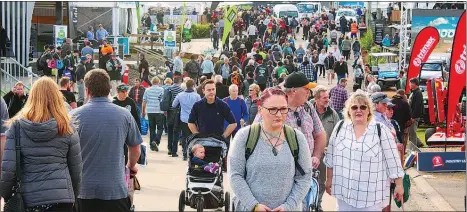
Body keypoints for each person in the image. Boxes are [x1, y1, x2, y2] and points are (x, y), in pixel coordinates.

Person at [0, 77, 82, 212]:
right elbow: (76, 169)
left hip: (28, 200)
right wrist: (73, 196)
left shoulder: (17, 127)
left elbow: (9, 168)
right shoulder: (67, 127)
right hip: (62, 200)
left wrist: (7, 195)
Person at [229, 87, 312, 211]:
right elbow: (235, 175)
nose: (279, 114)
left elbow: (304, 178)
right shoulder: (244, 137)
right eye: (273, 109)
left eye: (283, 109)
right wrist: (254, 206)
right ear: (260, 110)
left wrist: (288, 206)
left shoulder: (297, 138)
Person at [71, 69, 142, 212]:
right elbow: (135, 149)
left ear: (87, 90)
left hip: (83, 191)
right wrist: (130, 166)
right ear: (110, 89)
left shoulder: (73, 116)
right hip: (115, 191)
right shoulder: (125, 115)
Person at [324, 92, 405, 211]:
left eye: (363, 107)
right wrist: (329, 179)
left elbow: (393, 161)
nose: (358, 110)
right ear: (348, 111)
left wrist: (399, 185)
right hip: (345, 195)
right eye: (354, 107)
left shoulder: (380, 130)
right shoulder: (340, 127)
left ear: (369, 111)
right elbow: (330, 157)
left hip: (371, 198)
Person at [257, 72, 326, 169]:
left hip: (306, 171)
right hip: (281, 173)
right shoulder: (273, 108)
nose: (309, 92)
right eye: (306, 89)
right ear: (294, 91)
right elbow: (257, 139)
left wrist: (316, 156)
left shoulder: (308, 107)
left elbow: (320, 134)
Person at [312, 87, 340, 211]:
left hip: (325, 156)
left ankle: (317, 204)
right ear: (316, 99)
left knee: (322, 181)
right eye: (324, 98)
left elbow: (338, 133)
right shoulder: (308, 112)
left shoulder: (332, 114)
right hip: (309, 154)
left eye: (327, 97)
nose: (327, 100)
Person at [172, 79, 201, 160]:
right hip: (193, 119)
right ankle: (190, 153)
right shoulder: (197, 96)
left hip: (183, 118)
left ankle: (185, 154)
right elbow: (200, 107)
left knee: (184, 136)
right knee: (192, 137)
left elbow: (174, 105)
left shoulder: (180, 95)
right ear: (193, 86)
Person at [161, 76, 184, 157]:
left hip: (169, 112)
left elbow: (161, 98)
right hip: (177, 113)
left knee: (170, 131)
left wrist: (165, 110)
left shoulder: (168, 89)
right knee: (176, 132)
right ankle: (174, 151)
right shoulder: (181, 90)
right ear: (180, 81)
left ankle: (169, 149)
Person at [408, 78, 424, 148]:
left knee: (412, 132)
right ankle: (419, 143)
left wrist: (413, 117)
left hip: (414, 116)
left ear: (415, 84)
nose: (410, 85)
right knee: (411, 131)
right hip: (413, 115)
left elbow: (417, 106)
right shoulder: (414, 92)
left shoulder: (418, 93)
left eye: (411, 83)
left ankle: (413, 148)